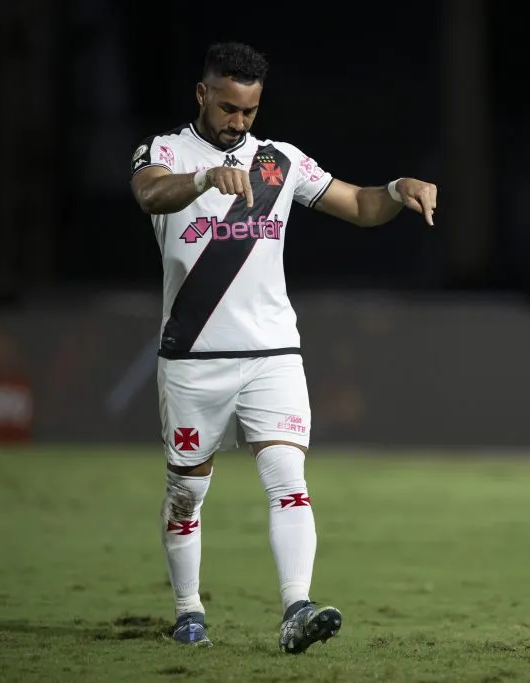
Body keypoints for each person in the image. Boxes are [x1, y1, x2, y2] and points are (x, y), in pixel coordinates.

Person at [129, 42, 437, 653]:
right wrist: (202, 178)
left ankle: (297, 607)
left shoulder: (280, 161)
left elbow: (358, 203)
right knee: (187, 490)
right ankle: (189, 610)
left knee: (288, 479)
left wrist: (398, 189)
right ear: (202, 94)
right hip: (193, 357)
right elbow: (149, 194)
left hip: (273, 354)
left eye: (248, 111)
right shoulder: (164, 151)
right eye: (227, 109)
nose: (238, 123)